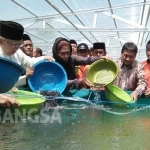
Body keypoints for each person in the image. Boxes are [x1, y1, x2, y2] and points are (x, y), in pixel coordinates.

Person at [0, 20, 54, 106]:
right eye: (14, 45)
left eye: (19, 44)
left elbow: (29, 62)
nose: (17, 48)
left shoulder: (16, 52)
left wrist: (44, 58)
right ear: (1, 41)